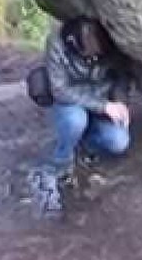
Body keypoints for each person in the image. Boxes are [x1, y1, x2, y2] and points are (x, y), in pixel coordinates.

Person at [42, 15, 133, 176]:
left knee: (119, 142)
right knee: (75, 121)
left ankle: (84, 145)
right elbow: (59, 89)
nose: (93, 57)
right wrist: (104, 106)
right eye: (88, 54)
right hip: (72, 102)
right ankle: (61, 161)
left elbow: (122, 76)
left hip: (103, 98)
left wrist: (120, 102)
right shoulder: (57, 43)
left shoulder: (110, 43)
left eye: (97, 54)